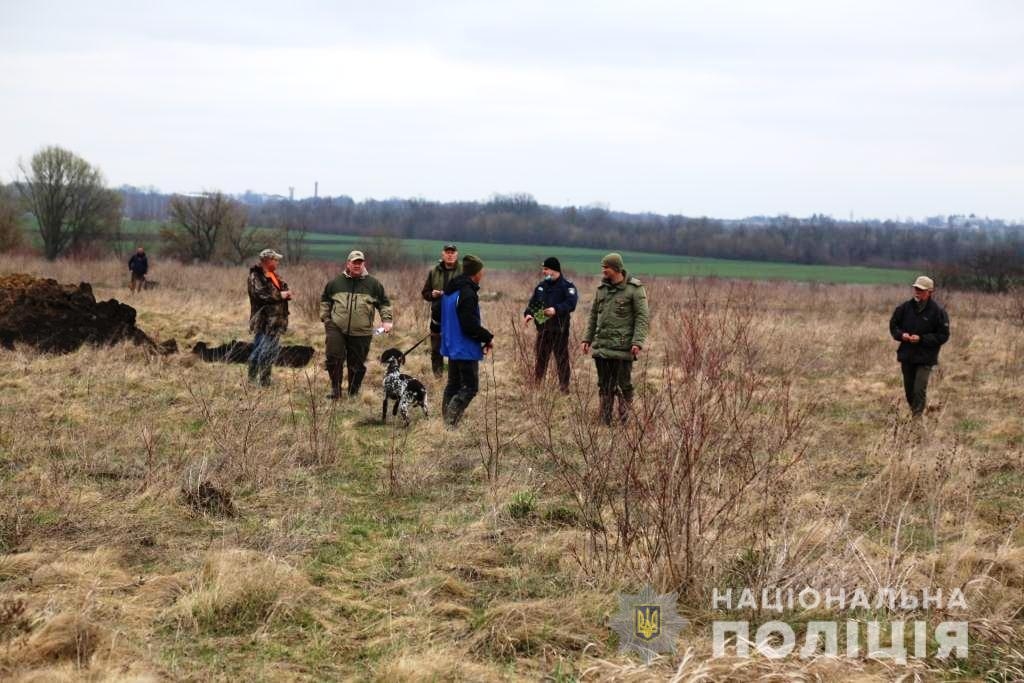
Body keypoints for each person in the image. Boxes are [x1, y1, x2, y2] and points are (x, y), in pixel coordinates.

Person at [581, 253, 649, 425]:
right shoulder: (601, 290)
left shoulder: (635, 289)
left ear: (617, 269)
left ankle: (625, 420)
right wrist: (587, 339)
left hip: (622, 348)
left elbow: (642, 317)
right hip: (602, 347)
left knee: (623, 386)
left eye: (606, 268)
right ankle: (604, 420)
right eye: (602, 267)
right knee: (604, 385)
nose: (603, 271)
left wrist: (637, 342)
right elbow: (593, 317)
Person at [320, 250, 393, 399]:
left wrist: (386, 320)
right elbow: (325, 300)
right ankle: (336, 391)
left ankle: (353, 392)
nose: (357, 265)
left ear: (364, 264)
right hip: (336, 328)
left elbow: (384, 304)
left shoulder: (374, 284)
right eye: (354, 262)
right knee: (333, 357)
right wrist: (326, 319)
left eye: (360, 262)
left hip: (362, 331)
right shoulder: (335, 283)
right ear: (348, 263)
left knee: (357, 364)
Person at [440, 255, 493, 426]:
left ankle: (445, 423)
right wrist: (487, 337)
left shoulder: (451, 290)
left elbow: (439, 315)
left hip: (451, 345)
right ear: (475, 273)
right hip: (465, 347)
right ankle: (450, 422)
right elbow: (469, 325)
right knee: (470, 387)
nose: (482, 274)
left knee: (453, 385)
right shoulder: (467, 293)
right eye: (481, 271)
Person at [889, 275, 950, 419]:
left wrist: (922, 339)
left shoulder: (938, 312)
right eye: (916, 288)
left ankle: (917, 419)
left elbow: (943, 335)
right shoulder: (903, 308)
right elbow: (893, 326)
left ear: (930, 291)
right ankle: (915, 414)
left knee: (919, 389)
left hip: (925, 358)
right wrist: (901, 335)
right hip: (907, 356)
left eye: (921, 290)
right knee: (909, 391)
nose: (917, 291)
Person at [523, 257, 578, 392]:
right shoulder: (541, 287)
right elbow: (533, 304)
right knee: (541, 359)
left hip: (560, 328)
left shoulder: (567, 287)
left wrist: (556, 310)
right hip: (543, 329)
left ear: (554, 270)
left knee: (562, 359)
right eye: (543, 269)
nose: (543, 271)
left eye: (546, 269)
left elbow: (571, 304)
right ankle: (537, 386)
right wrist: (528, 314)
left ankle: (564, 388)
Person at [247, 248, 292, 386]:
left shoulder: (274, 276)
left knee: (266, 351)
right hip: (264, 321)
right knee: (264, 351)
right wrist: (281, 295)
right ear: (267, 260)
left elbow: (281, 289)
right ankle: (259, 382)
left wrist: (286, 292)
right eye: (275, 259)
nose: (277, 262)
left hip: (276, 321)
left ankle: (256, 381)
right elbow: (260, 295)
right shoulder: (255, 276)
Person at [421, 243, 462, 378]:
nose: (450, 255)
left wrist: (452, 295)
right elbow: (425, 293)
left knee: (454, 350)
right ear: (442, 254)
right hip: (437, 317)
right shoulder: (434, 271)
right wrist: (432, 294)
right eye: (447, 252)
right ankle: (438, 379)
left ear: (457, 255)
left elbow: (471, 292)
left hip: (456, 318)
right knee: (436, 351)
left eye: (452, 252)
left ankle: (453, 380)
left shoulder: (463, 272)